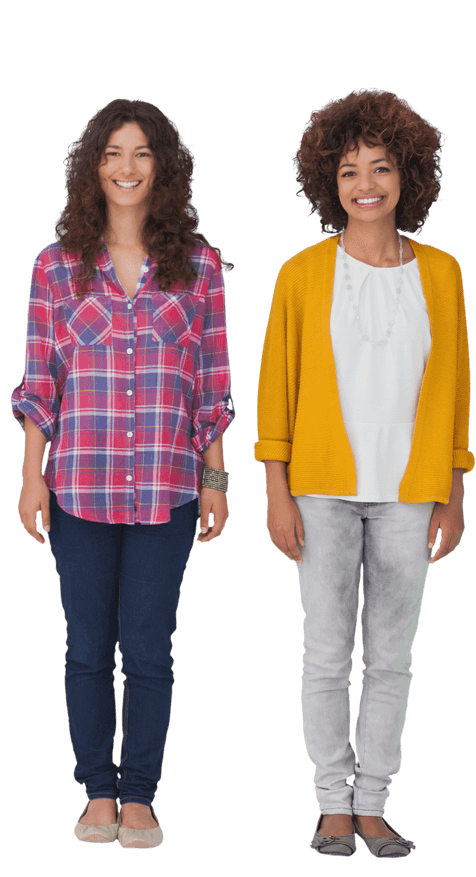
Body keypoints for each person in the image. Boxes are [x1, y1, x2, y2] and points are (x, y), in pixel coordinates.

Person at [12, 99, 234, 849]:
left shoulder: (198, 265)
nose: (127, 167)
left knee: (148, 645)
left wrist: (216, 477)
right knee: (85, 643)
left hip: (168, 489)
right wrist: (30, 477)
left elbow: (212, 380)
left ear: (163, 166)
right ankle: (95, 791)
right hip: (79, 488)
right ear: (92, 166)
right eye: (113, 153)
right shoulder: (56, 265)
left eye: (142, 153)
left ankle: (140, 794)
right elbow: (40, 385)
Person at [256, 88, 470, 859]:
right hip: (320, 486)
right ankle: (330, 806)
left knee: (392, 652)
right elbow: (275, 391)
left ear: (408, 174)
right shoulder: (301, 274)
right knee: (325, 648)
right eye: (349, 170)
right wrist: (276, 489)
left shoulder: (443, 275)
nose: (366, 184)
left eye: (381, 166)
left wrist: (453, 488)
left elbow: (456, 391)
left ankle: (374, 803)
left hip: (413, 491)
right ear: (328, 181)